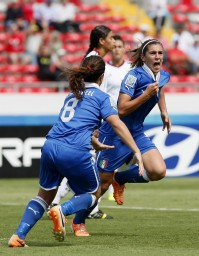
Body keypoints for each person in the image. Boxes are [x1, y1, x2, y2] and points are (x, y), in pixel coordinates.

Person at [8, 55, 144, 247]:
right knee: (93, 193)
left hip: (51, 146)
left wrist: (94, 142)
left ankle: (18, 236)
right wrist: (136, 150)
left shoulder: (73, 94)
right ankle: (62, 211)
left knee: (43, 196)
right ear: (102, 76)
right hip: (75, 150)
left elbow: (74, 125)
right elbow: (116, 124)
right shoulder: (102, 97)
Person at [49, 25, 116, 220]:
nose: (114, 41)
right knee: (85, 164)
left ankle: (57, 202)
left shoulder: (96, 58)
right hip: (88, 122)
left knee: (83, 166)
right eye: (111, 38)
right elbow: (91, 93)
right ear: (101, 41)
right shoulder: (94, 61)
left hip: (87, 120)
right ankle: (66, 204)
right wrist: (94, 126)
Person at [96, 39, 172, 206]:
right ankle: (74, 217)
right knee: (102, 184)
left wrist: (164, 112)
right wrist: (145, 95)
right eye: (153, 53)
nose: (158, 56)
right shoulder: (133, 76)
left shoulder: (163, 75)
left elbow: (160, 88)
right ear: (143, 57)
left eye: (160, 53)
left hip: (136, 132)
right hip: (116, 132)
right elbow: (121, 109)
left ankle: (120, 178)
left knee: (158, 171)